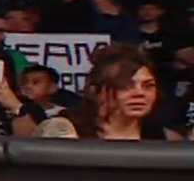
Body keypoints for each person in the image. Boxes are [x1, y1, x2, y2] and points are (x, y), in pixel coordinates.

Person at [39, 44, 180, 140]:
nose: (139, 93)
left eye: (148, 86)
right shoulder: (62, 130)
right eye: (125, 86)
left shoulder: (164, 138)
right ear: (94, 91)